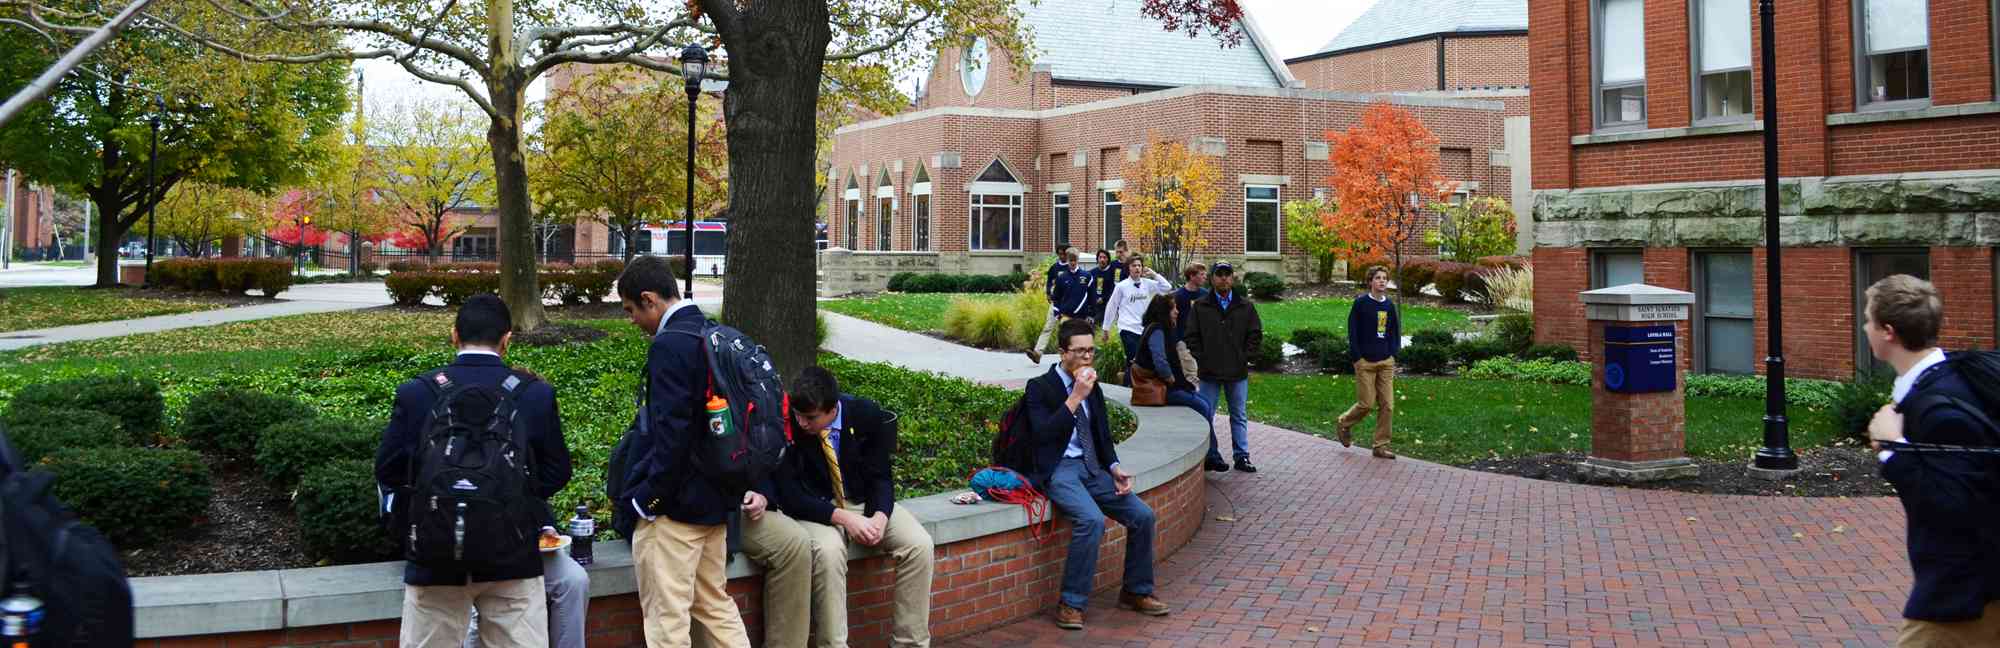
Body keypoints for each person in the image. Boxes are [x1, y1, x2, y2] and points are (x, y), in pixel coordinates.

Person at [376, 294, 573, 648]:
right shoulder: (535, 395)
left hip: (435, 557)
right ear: (506, 340)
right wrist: (515, 499)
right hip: (512, 557)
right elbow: (557, 470)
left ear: (454, 336)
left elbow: (388, 471)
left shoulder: (417, 393)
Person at [614, 256, 751, 648]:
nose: (632, 321)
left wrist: (647, 500)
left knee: (666, 622)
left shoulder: (670, 346)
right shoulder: (715, 334)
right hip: (716, 500)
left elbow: (670, 436)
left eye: (630, 311)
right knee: (715, 606)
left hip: (675, 510)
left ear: (649, 299)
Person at [1859, 274, 2000, 646]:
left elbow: (1953, 505)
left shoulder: (1940, 408)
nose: (1864, 327)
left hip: (1968, 597)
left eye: (1867, 319)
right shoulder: (1946, 378)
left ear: (1887, 331)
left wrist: (1893, 447)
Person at [773, 366, 936, 648]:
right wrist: (844, 519)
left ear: (833, 408)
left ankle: (910, 643)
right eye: (798, 415)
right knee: (828, 551)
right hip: (816, 509)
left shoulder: (865, 414)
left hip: (862, 502)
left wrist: (880, 518)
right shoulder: (787, 424)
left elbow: (881, 477)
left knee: (919, 545)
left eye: (810, 417)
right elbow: (789, 495)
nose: (801, 423)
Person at [1026, 318, 1170, 630]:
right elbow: (1042, 436)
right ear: (1063, 352)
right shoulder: (1039, 388)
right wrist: (1075, 396)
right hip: (1058, 469)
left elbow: (1102, 435)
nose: (1087, 358)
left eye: (1091, 351)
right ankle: (1071, 603)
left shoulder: (1094, 387)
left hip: (1092, 467)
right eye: (1080, 352)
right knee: (1090, 520)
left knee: (1142, 516)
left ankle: (1135, 591)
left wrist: (1115, 468)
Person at [1182, 262, 1261, 474]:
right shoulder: (1200, 306)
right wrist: (1203, 358)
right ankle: (1208, 455)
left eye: (1227, 274)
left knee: (1239, 414)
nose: (1224, 278)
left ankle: (1242, 456)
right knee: (1206, 414)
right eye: (1219, 274)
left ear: (1233, 278)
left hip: (1237, 372)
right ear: (1212, 278)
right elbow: (1191, 336)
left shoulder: (1245, 306)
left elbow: (1255, 334)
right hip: (1210, 372)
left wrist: (1245, 357)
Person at [1135, 295, 1225, 472]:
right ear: (1164, 312)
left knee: (1204, 404)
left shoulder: (1161, 329)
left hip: (1167, 385)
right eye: (1173, 308)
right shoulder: (1157, 330)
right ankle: (1211, 456)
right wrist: (1172, 380)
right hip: (1158, 388)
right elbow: (1160, 360)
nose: (1177, 311)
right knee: (1202, 405)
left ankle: (1211, 455)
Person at [1337, 266, 1402, 460]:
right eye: (1378, 278)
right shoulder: (1361, 304)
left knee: (1388, 405)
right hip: (1365, 362)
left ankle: (1380, 446)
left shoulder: (1389, 306)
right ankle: (1344, 423)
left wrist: (1392, 353)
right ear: (1370, 281)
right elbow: (1353, 332)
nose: (1382, 281)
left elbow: (1394, 332)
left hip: (1385, 362)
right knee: (1366, 404)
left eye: (1385, 278)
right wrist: (1358, 357)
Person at [1100, 254, 1173, 376]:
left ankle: (1127, 382)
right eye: (1134, 265)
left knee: (1142, 362)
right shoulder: (1121, 286)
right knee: (1134, 359)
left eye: (1139, 265)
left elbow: (1167, 287)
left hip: (1144, 329)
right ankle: (1131, 386)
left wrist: (1154, 274)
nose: (1137, 268)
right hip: (1127, 328)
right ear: (1129, 268)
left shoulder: (1148, 284)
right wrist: (1106, 328)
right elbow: (1112, 306)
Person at [1029, 248, 1092, 364]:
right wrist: (1049, 294)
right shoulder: (1056, 269)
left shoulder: (1084, 275)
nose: (1062, 256)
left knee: (1073, 336)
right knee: (1050, 327)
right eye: (1061, 254)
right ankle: (1038, 352)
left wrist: (1089, 312)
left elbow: (1089, 294)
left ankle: (1073, 359)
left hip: (1075, 309)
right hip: (1059, 306)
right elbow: (1050, 282)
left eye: (1074, 260)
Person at [1172, 263, 1207, 388]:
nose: (1205, 277)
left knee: (1202, 374)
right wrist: (1177, 341)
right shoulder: (1178, 296)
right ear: (1192, 276)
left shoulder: (1205, 295)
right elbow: (1173, 320)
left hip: (1202, 341)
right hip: (1184, 341)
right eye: (1201, 274)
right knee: (1190, 373)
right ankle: (1193, 401)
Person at [1087, 249, 1119, 324]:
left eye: (1104, 257)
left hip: (1107, 306)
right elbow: (1088, 289)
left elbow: (1114, 289)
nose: (1102, 260)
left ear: (1108, 259)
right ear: (1097, 259)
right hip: (1093, 305)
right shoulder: (1091, 273)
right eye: (1100, 257)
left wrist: (1104, 298)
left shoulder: (1112, 273)